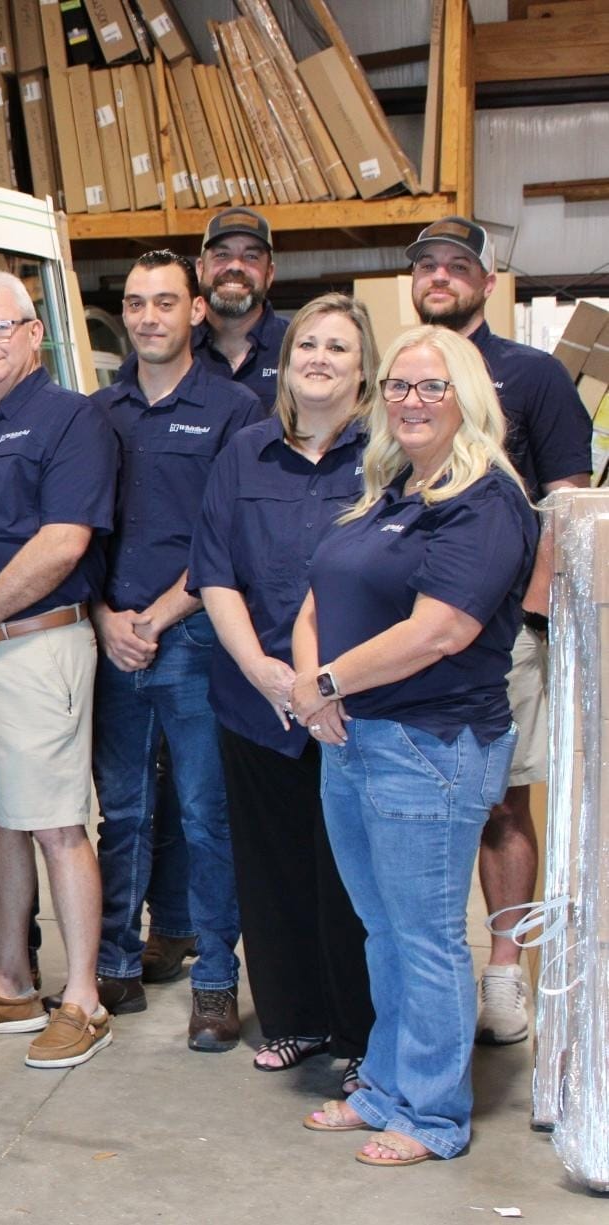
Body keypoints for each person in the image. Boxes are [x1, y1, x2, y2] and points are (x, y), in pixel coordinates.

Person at [293, 324, 536, 1166]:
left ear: (466, 397)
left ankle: (432, 1115)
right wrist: (310, 681)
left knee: (425, 934)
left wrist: (323, 684)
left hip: (430, 745)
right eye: (398, 385)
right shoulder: (393, 489)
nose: (410, 400)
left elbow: (440, 630)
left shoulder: (485, 502)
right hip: (357, 737)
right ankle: (387, 1087)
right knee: (383, 930)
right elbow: (319, 592)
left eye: (431, 386)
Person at [406, 216, 591, 1044]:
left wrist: (526, 613)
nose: (438, 277)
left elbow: (568, 503)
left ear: (486, 283)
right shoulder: (401, 369)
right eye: (426, 267)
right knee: (413, 797)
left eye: (456, 266)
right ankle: (427, 969)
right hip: (401, 625)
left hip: (497, 631)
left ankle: (505, 970)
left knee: (499, 800)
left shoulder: (532, 375)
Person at [188, 294, 376, 1090]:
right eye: (307, 344)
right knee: (270, 868)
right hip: (257, 703)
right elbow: (214, 573)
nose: (319, 358)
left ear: (363, 366)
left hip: (357, 706)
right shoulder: (244, 452)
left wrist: (322, 682)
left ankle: (364, 1031)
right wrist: (263, 672)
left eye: (338, 346)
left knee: (354, 877)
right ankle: (295, 1017)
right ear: (285, 360)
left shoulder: (386, 456)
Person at [0, 273, 119, 1071]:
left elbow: (62, 543)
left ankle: (81, 996)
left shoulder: (68, 418)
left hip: (33, 642)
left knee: (52, 822)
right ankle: (11, 980)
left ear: (33, 332)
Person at [89, 250, 264, 1049]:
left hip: (191, 633)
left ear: (196, 311)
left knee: (204, 812)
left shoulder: (231, 409)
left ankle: (215, 984)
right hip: (111, 633)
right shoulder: (99, 410)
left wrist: (155, 616)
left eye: (165, 301)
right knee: (121, 811)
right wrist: (102, 617)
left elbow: (229, 535)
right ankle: (114, 962)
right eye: (134, 303)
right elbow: (79, 528)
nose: (148, 316)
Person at [195, 208, 288, 406]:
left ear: (269, 273)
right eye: (222, 254)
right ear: (200, 268)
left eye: (251, 256)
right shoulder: (174, 347)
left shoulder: (299, 347)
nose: (236, 266)